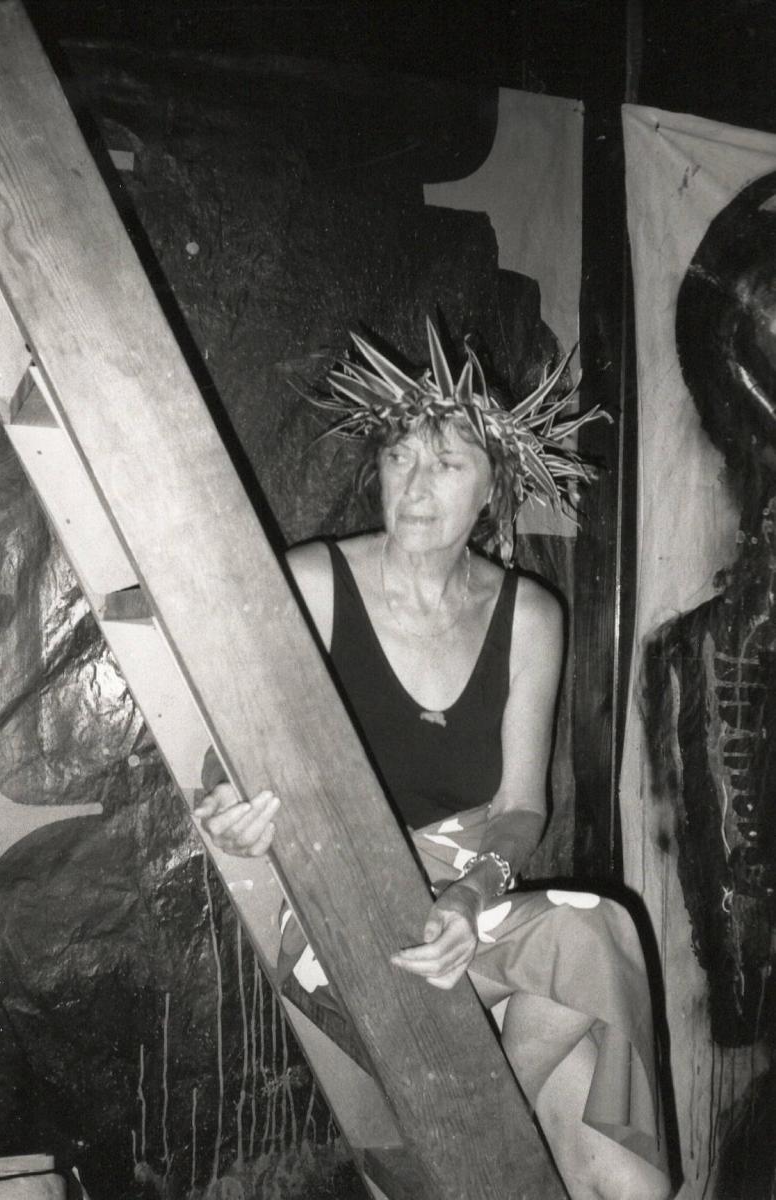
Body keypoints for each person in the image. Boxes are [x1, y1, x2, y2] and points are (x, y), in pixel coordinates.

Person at [195, 319, 673, 1200]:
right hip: (341, 908)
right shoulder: (313, 584)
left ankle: (447, 1159)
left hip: (473, 910)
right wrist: (227, 803)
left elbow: (521, 807)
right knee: (592, 931)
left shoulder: (531, 617)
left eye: (447, 463)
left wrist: (471, 892)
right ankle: (455, 1157)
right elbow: (229, 749)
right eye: (399, 458)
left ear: (495, 488)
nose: (415, 485)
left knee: (631, 1186)